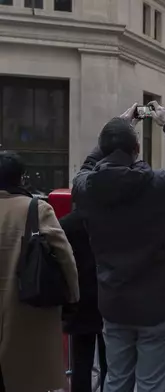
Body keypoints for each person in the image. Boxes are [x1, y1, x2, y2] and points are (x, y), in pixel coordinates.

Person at [72, 102, 165, 392]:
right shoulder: (159, 186)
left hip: (114, 304)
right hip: (156, 306)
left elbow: (85, 168)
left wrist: (117, 127)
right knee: (151, 384)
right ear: (137, 151)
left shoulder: (86, 189)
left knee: (116, 380)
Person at [0, 151, 80, 391]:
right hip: (25, 307)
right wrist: (73, 297)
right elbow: (65, 255)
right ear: (21, 178)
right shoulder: (36, 209)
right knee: (24, 376)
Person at [60, 208, 108, 392]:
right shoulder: (110, 220)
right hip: (107, 297)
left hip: (79, 299)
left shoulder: (66, 223)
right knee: (110, 364)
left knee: (81, 362)